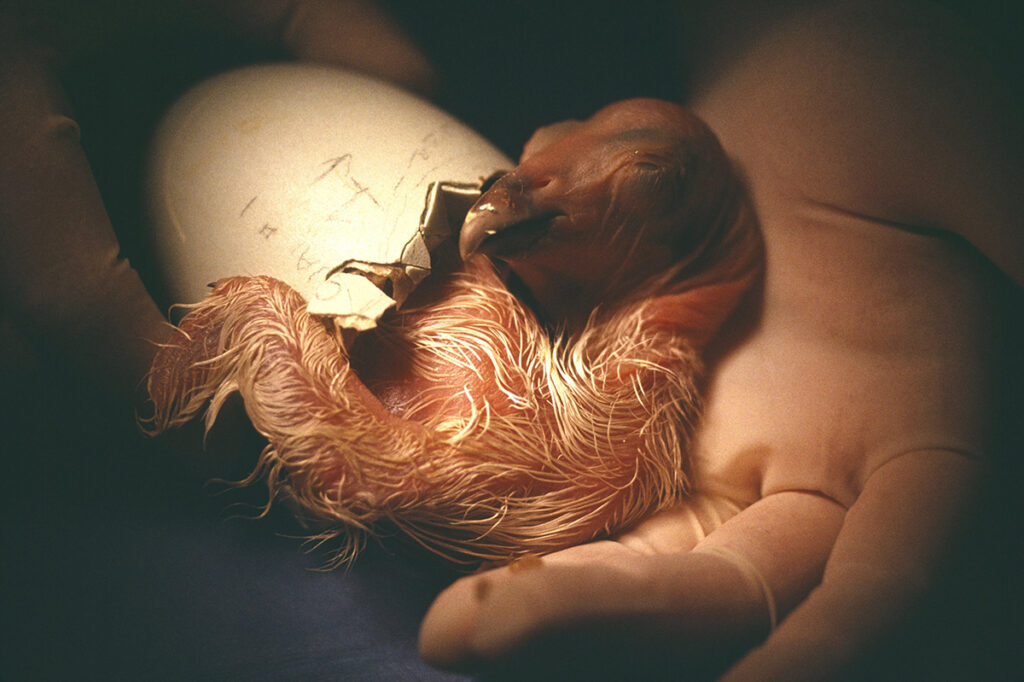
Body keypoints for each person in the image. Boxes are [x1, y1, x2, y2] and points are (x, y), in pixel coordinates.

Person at [1, 1, 1019, 680]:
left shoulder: (639, 363)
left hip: (420, 451)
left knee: (266, 308)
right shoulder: (612, 340)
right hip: (398, 449)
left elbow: (407, 465)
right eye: (543, 148)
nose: (525, 177)